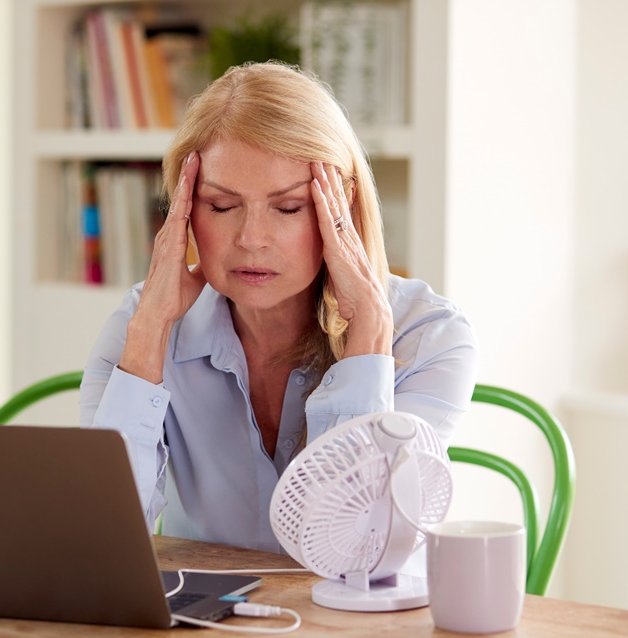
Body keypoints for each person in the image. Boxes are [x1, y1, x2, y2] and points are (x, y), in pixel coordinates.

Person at [80, 62, 478, 553]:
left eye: (288, 208)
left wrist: (369, 339)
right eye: (221, 206)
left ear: (343, 208)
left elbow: (356, 548)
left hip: (359, 624)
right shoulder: (141, 326)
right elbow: (103, 537)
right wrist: (148, 341)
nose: (251, 240)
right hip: (204, 625)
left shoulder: (428, 337)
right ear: (183, 211)